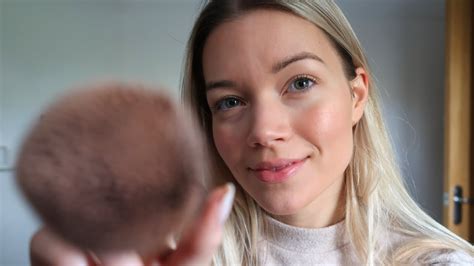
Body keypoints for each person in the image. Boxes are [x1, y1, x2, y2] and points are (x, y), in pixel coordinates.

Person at [30, 0, 474, 265]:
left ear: (356, 94)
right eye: (230, 102)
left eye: (299, 83)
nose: (263, 131)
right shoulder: (173, 254)